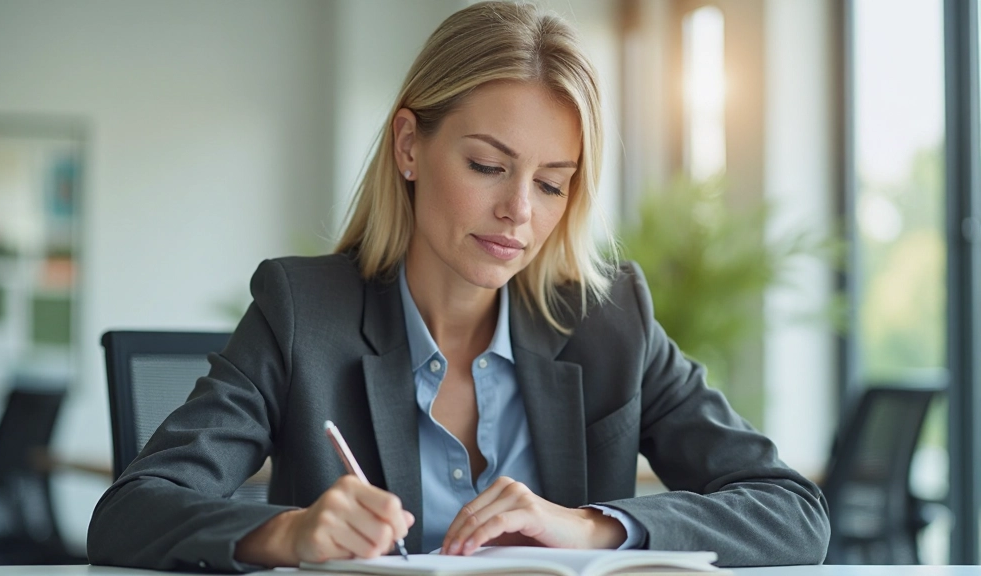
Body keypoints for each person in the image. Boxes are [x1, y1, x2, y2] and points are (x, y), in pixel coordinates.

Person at [87, 2, 829, 572]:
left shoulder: (610, 321)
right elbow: (130, 512)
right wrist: (288, 533)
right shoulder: (302, 313)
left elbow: (792, 511)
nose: (519, 211)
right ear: (410, 145)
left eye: (552, 183)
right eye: (487, 166)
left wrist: (593, 527)